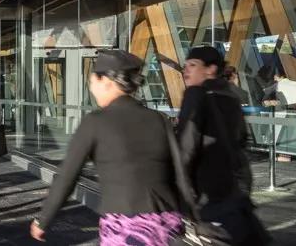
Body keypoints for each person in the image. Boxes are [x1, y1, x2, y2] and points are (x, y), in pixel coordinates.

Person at [30, 50, 182, 245]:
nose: (92, 87)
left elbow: (67, 176)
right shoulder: (159, 119)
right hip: (167, 224)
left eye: (93, 80)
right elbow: (179, 170)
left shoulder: (95, 122)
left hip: (127, 227)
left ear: (107, 81)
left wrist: (43, 220)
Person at [179, 46, 267, 245]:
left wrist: (180, 187)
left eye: (192, 65)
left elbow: (186, 146)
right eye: (186, 66)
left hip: (205, 186)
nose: (186, 70)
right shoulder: (231, 95)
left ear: (210, 69)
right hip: (232, 183)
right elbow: (241, 138)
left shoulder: (195, 94)